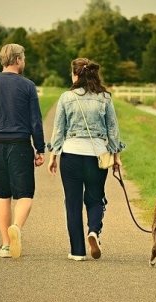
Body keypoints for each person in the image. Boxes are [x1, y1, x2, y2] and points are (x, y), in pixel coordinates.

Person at [47, 58, 125, 261]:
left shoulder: (66, 97)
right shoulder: (105, 98)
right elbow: (113, 131)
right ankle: (94, 231)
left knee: (73, 203)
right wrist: (116, 157)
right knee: (95, 198)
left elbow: (58, 130)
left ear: (75, 75)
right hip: (99, 155)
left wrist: (53, 156)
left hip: (71, 154)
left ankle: (77, 251)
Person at [0, 43, 45, 259]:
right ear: (17, 60)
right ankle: (16, 227)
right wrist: (39, 148)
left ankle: (5, 245)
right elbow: (35, 121)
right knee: (24, 195)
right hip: (20, 144)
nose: (24, 62)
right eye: (23, 58)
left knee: (3, 195)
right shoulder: (28, 86)